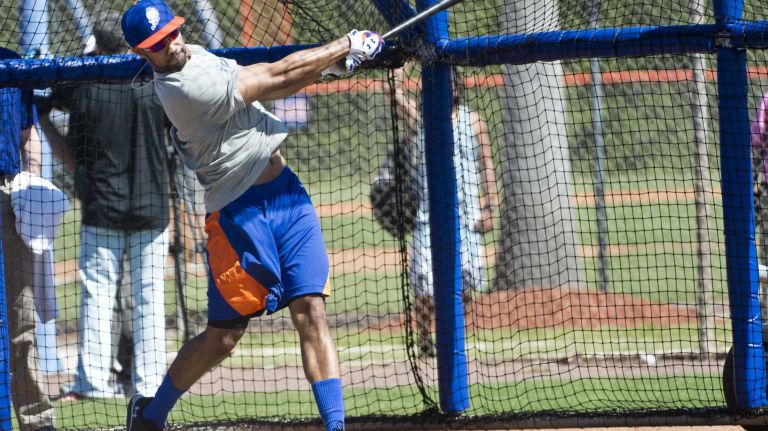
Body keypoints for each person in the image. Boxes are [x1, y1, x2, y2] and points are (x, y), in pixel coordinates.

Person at [119, 1, 383, 430]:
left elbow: (266, 90)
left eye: (171, 33)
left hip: (286, 194)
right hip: (236, 213)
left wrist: (329, 69)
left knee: (311, 310)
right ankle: (150, 415)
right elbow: (272, 77)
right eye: (158, 43)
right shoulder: (181, 89)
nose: (171, 44)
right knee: (223, 337)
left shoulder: (197, 54)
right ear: (142, 53)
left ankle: (336, 426)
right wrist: (345, 44)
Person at [37, 12, 170, 400]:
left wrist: (46, 123)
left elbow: (51, 108)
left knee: (97, 296)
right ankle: (149, 385)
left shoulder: (83, 84)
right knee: (149, 301)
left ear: (97, 44)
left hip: (101, 208)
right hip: (152, 206)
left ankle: (92, 381)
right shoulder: (153, 82)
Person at [389, 65, 499, 358]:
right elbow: (395, 94)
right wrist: (406, 62)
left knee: (465, 283)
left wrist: (490, 207)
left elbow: (487, 166)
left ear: (458, 88)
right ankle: (425, 339)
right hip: (429, 216)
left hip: (467, 216)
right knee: (425, 284)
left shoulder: (473, 121)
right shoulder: (421, 120)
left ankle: (454, 340)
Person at [0, 46, 57, 431]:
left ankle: (36, 421)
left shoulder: (12, 62)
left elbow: (27, 132)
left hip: (7, 192)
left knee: (20, 317)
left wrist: (32, 181)